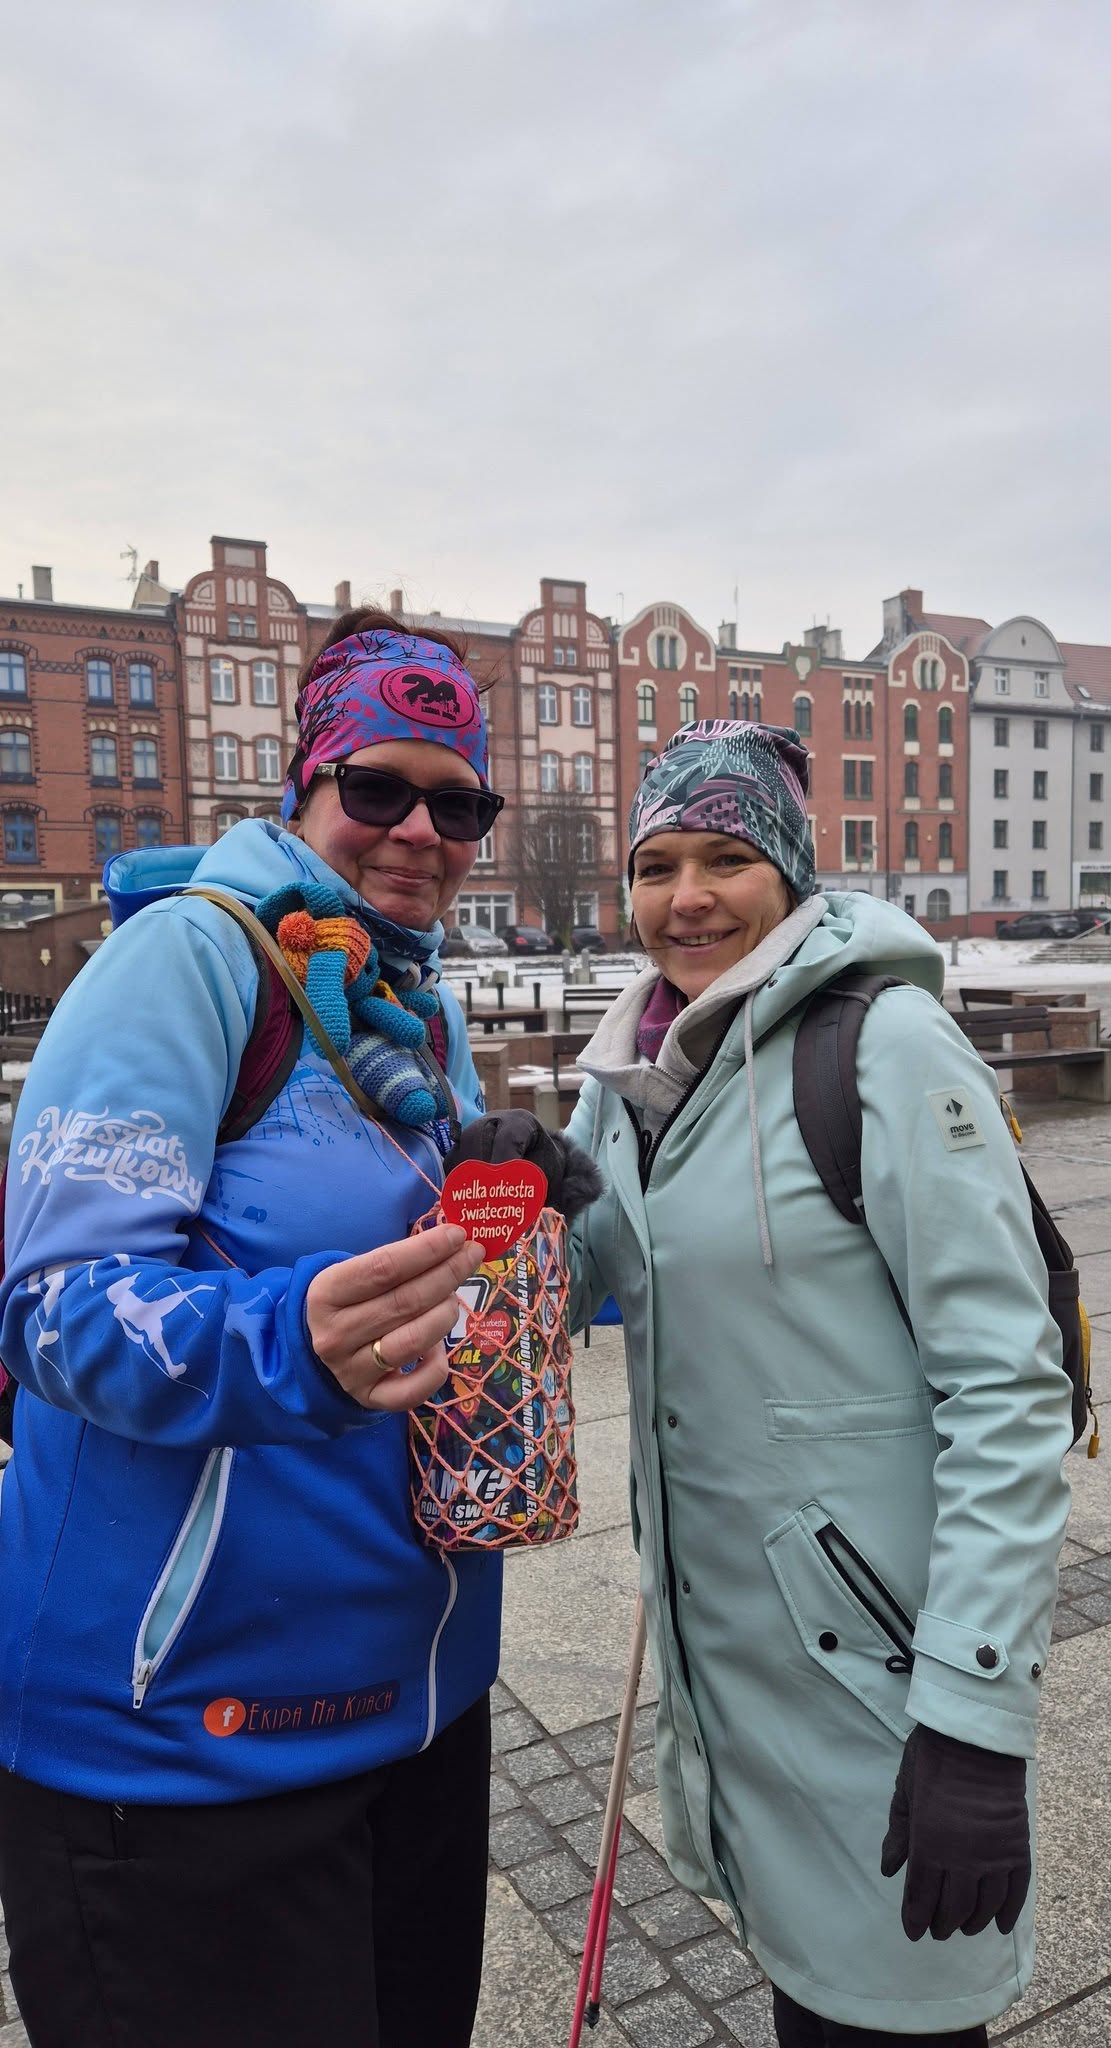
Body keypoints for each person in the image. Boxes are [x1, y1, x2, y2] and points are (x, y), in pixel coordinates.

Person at [0, 611, 593, 2048]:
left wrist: (549, 1218)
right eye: (376, 788)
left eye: (457, 803)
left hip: (419, 1710)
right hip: (187, 1746)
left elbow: (435, 1282)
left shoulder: (413, 1003)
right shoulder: (189, 962)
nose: (418, 831)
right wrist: (290, 1345)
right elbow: (52, 1307)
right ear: (300, 784)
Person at [462, 719, 1072, 2045]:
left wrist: (975, 1716)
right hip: (745, 1666)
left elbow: (1007, 1393)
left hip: (882, 1670)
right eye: (657, 863)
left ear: (791, 874)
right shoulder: (635, 1073)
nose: (685, 898)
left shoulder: (887, 1047)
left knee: (889, 2012)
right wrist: (530, 1209)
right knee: (816, 1998)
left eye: (726, 859)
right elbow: (589, 1289)